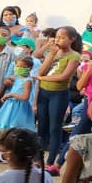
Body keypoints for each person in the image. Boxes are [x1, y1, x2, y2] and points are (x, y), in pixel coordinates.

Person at [36, 26, 82, 170]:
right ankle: (38, 159)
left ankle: (50, 162)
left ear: (72, 39)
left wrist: (42, 78)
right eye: (57, 36)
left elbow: (64, 77)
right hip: (44, 93)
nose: (58, 39)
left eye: (62, 37)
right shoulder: (53, 52)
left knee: (54, 128)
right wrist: (50, 55)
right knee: (41, 126)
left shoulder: (74, 56)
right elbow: (40, 70)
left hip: (59, 94)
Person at [0, 56, 37, 133]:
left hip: (20, 107)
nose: (18, 68)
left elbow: (25, 97)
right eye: (17, 66)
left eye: (21, 67)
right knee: (7, 128)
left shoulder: (27, 81)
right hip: (11, 105)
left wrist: (11, 95)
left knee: (16, 128)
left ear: (29, 68)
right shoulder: (18, 78)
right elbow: (10, 81)